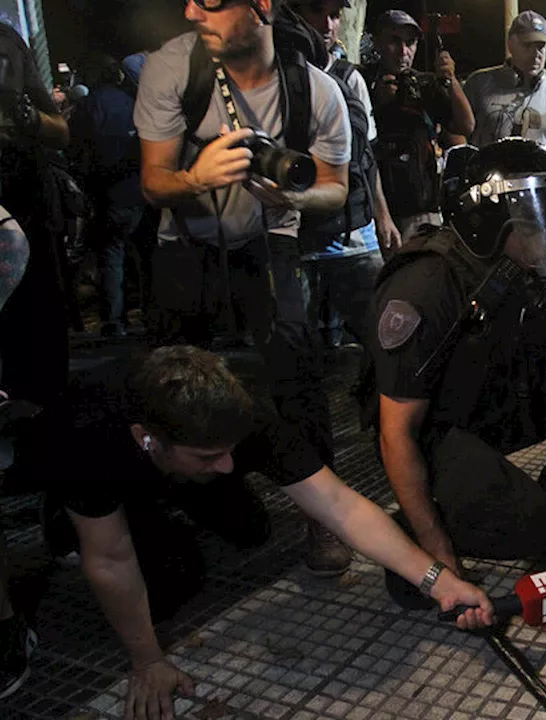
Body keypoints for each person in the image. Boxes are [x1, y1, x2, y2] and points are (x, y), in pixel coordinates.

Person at [45, 346, 495, 720]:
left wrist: (439, 580)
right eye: (210, 456)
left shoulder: (250, 417)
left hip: (175, 467)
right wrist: (146, 660)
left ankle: (189, 497)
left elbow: (341, 506)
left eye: (229, 453)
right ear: (147, 438)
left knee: (250, 531)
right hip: (109, 485)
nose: (225, 465)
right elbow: (110, 558)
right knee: (164, 582)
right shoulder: (89, 433)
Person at [135, 0, 354, 576]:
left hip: (270, 240)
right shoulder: (173, 69)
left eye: (209, 1)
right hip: (185, 245)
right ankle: (189, 503)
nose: (189, 12)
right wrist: (197, 176)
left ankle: (323, 519)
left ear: (261, 4)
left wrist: (294, 197)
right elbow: (154, 183)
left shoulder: (317, 91)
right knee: (171, 381)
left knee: (298, 372)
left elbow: (335, 187)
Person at [366, 139, 546, 601]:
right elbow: (396, 433)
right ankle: (409, 531)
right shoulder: (429, 282)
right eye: (537, 220)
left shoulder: (524, 268)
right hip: (431, 433)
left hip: (491, 404)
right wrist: (437, 555)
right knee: (532, 529)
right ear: (492, 220)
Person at [0, 22, 70, 699]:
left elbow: (58, 128)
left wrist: (33, 117)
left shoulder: (11, 41)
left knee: (43, 384)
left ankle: (64, 508)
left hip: (30, 240)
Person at [289, 0, 397, 354]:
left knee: (383, 333)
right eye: (316, 11)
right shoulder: (278, 78)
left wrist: (382, 215)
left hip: (353, 232)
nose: (327, 23)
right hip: (295, 237)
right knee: (297, 346)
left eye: (335, 15)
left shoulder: (351, 78)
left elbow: (367, 156)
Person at [368, 9, 473, 240]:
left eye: (410, 43)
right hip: (375, 210)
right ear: (376, 42)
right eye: (394, 41)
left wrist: (451, 79)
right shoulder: (362, 82)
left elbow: (466, 126)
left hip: (422, 209)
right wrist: (376, 102)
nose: (403, 51)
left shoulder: (423, 85)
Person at [69, 54, 146, 338]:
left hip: (107, 195)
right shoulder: (135, 102)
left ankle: (114, 321)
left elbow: (75, 148)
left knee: (111, 256)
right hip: (140, 190)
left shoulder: (89, 106)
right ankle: (153, 313)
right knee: (144, 255)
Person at [464, 11, 546, 165]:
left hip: (535, 184)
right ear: (510, 44)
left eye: (541, 47)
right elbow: (457, 134)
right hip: (488, 183)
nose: (536, 54)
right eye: (528, 45)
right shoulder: (478, 83)